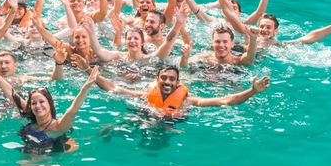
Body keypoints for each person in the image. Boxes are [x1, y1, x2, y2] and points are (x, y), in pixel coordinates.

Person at [0, 62, 100, 154]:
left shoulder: (58, 126)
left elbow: (73, 110)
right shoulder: (31, 117)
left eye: (42, 102)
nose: (38, 106)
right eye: (34, 103)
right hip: (30, 152)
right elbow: (10, 92)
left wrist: (86, 87)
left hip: (49, 157)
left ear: (49, 104)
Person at [96, 65, 270, 119]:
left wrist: (252, 91)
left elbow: (225, 100)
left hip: (169, 126)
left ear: (178, 83)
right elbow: (114, 88)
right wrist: (89, 72)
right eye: (164, 78)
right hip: (146, 118)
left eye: (172, 79)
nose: (167, 81)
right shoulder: (145, 95)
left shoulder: (188, 101)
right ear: (157, 80)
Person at [187, 24, 259, 66]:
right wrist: (184, 58)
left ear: (232, 44)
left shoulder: (238, 61)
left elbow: (250, 57)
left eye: (225, 42)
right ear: (212, 43)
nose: (221, 45)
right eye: (217, 41)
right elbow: (184, 66)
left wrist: (253, 39)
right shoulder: (202, 58)